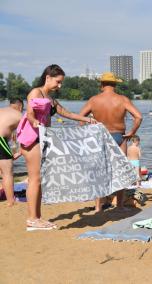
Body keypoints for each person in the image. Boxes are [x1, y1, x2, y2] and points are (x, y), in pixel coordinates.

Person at [18, 64, 97, 230]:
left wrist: (88, 120)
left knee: (39, 180)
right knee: (35, 179)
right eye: (58, 82)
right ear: (48, 77)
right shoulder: (35, 92)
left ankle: (37, 217)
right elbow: (30, 113)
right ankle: (32, 219)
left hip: (42, 138)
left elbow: (66, 113)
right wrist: (35, 122)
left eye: (61, 83)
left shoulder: (51, 98)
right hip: (32, 138)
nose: (59, 86)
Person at [79, 72, 142, 212]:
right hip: (119, 136)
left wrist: (85, 136)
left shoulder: (94, 100)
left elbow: (80, 117)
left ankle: (97, 207)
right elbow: (138, 117)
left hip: (99, 137)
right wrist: (131, 133)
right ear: (115, 85)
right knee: (120, 172)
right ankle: (119, 206)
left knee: (98, 172)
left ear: (102, 85)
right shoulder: (123, 99)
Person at [0, 98, 24, 206]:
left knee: (2, 171)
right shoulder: (20, 115)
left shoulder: (2, 110)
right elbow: (29, 137)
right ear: (20, 106)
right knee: (7, 173)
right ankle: (11, 201)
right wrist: (20, 152)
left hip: (2, 140)